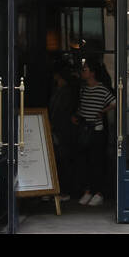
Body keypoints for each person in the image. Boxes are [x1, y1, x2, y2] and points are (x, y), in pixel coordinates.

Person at [71, 60, 115, 207]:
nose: (83, 72)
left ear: (92, 73)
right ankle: (88, 190)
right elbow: (82, 107)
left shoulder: (102, 89)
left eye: (85, 69)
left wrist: (103, 112)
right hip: (84, 129)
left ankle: (99, 192)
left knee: (97, 162)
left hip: (96, 130)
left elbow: (115, 102)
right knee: (85, 162)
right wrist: (77, 115)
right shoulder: (84, 89)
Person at [47, 64, 77, 201]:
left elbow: (64, 112)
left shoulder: (66, 91)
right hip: (56, 129)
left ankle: (64, 191)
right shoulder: (57, 90)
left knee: (63, 160)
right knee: (56, 160)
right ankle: (55, 189)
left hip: (63, 131)